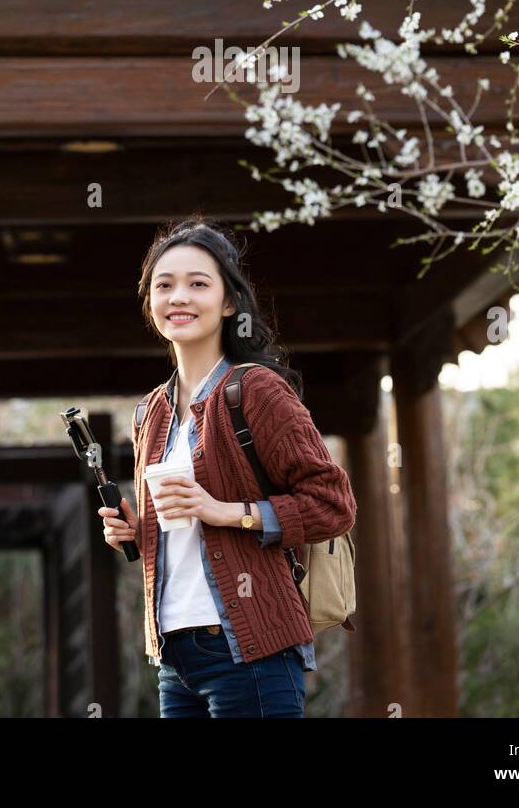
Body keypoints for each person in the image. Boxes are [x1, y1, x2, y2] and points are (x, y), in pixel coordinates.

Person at [99, 215, 357, 718]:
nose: (179, 297)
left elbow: (333, 503)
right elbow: (180, 532)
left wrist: (228, 512)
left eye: (198, 284)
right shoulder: (150, 412)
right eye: (164, 285)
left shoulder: (255, 389)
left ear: (229, 302)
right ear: (150, 301)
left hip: (251, 649)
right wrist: (133, 533)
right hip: (173, 653)